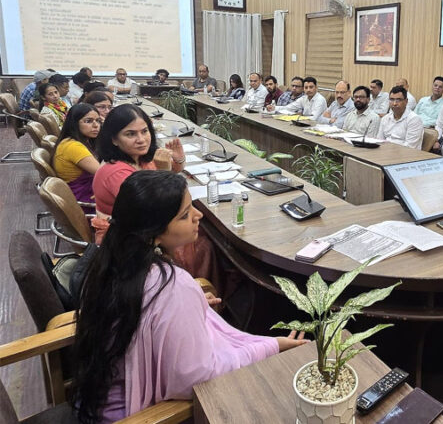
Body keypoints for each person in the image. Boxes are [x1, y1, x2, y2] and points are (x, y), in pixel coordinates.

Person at [72, 170, 309, 422]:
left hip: (94, 400)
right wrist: (270, 347)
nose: (199, 215)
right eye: (185, 215)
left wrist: (184, 309)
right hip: (134, 416)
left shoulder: (111, 262)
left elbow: (142, 316)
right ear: (153, 231)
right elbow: (197, 378)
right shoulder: (170, 288)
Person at [91, 104, 185, 243]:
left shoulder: (138, 157)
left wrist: (179, 159)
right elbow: (155, 209)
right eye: (131, 134)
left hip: (144, 226)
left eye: (144, 131)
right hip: (126, 239)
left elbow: (174, 170)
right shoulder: (117, 173)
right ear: (114, 139)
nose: (141, 139)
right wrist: (163, 173)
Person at [51, 103, 102, 207]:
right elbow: (104, 174)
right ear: (74, 124)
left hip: (81, 193)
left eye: (98, 121)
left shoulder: (71, 140)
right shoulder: (74, 147)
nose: (96, 125)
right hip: (84, 200)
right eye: (88, 121)